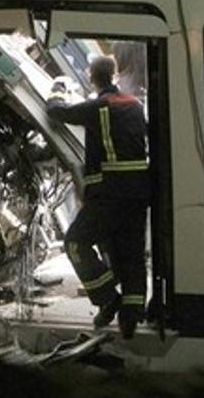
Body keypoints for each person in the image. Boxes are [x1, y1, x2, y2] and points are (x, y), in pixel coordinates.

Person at [46, 56, 150, 337]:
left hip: (108, 194)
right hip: (138, 194)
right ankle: (131, 317)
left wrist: (58, 86)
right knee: (130, 254)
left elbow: (56, 111)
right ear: (114, 75)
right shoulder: (135, 106)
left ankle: (107, 298)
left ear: (92, 78)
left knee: (76, 243)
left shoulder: (97, 107)